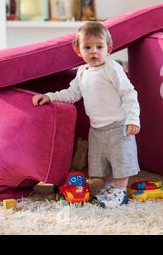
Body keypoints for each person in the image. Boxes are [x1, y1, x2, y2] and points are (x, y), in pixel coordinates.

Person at [32, 22, 140, 208]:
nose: (94, 52)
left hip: (117, 125)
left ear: (109, 49)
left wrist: (132, 118)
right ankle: (110, 186)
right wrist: (49, 96)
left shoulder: (112, 69)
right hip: (96, 128)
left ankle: (120, 190)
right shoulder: (82, 73)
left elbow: (129, 93)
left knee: (120, 158)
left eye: (99, 47)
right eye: (87, 47)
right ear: (78, 50)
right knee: (102, 161)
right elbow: (71, 94)